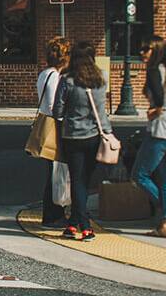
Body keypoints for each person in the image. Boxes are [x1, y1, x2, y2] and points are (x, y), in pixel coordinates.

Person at [52, 40, 112, 241]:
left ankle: (84, 226)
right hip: (94, 136)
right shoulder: (100, 79)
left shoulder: (67, 80)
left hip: (72, 136)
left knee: (77, 180)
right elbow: (102, 112)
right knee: (84, 180)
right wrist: (108, 131)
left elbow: (57, 110)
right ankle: (72, 224)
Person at [133, 36, 166, 238]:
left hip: (160, 132)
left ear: (156, 51)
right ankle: (165, 226)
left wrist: (153, 112)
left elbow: (163, 105)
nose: (142, 53)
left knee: (139, 175)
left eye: (146, 49)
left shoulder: (156, 71)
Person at [37, 36, 71, 227]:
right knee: (56, 173)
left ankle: (53, 213)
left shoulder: (44, 74)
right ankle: (53, 215)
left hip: (46, 125)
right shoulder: (54, 77)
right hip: (53, 128)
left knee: (54, 172)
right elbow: (52, 106)